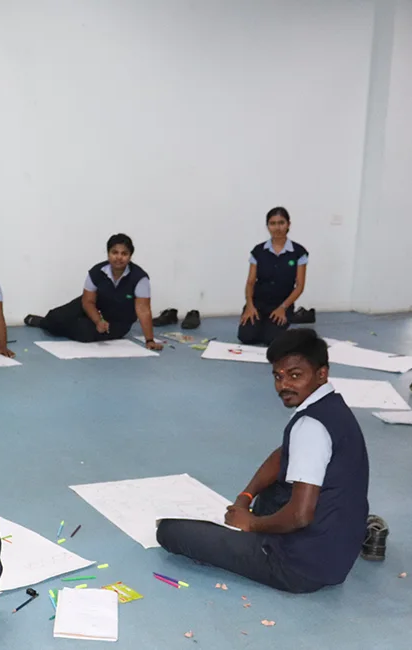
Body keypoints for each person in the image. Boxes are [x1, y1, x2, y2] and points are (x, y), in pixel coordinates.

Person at [157, 329, 370, 593]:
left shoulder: (310, 426)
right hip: (336, 555)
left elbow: (300, 516)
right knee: (269, 493)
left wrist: (251, 523)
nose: (284, 385)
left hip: (299, 568)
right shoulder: (332, 407)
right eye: (278, 377)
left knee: (170, 531)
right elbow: (282, 455)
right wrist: (245, 496)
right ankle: (258, 530)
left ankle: (260, 542)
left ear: (321, 373)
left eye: (295, 375)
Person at [24, 234, 164, 350]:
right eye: (114, 252)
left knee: (84, 332)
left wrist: (149, 340)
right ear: (108, 253)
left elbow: (143, 310)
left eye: (124, 254)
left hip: (117, 322)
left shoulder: (140, 278)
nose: (119, 257)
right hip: (93, 307)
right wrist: (98, 320)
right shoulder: (97, 271)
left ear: (130, 256)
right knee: (57, 317)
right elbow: (87, 301)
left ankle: (55, 326)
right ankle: (44, 322)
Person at [238, 207, 309, 346]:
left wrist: (283, 308)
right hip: (258, 303)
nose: (277, 228)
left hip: (282, 304)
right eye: (273, 223)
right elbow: (250, 282)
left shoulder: (299, 252)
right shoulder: (258, 251)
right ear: (267, 226)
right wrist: (249, 306)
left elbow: (299, 286)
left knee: (271, 340)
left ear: (288, 224)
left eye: (281, 223)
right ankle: (262, 324)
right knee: (246, 337)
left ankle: (272, 326)